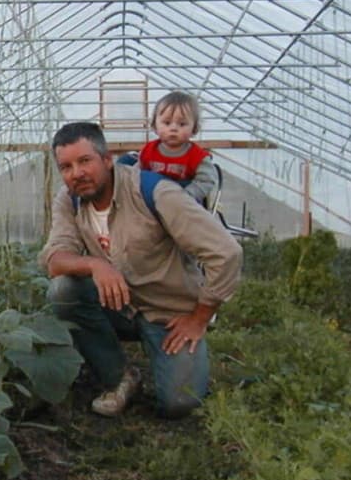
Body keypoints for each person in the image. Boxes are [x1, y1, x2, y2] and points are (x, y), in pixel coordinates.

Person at [39, 122, 242, 418]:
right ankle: (119, 377)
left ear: (107, 160)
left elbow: (227, 252)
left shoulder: (154, 192)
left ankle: (171, 352)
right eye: (66, 167)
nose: (76, 173)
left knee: (179, 404)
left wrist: (200, 317)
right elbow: (54, 258)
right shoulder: (69, 200)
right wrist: (95, 264)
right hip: (118, 305)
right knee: (63, 291)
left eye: (85, 161)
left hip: (168, 314)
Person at [131, 90, 218, 206]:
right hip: (154, 202)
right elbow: (137, 173)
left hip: (184, 205)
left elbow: (207, 179)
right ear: (155, 126)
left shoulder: (197, 157)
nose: (173, 128)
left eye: (182, 124)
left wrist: (188, 194)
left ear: (194, 128)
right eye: (167, 123)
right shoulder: (148, 150)